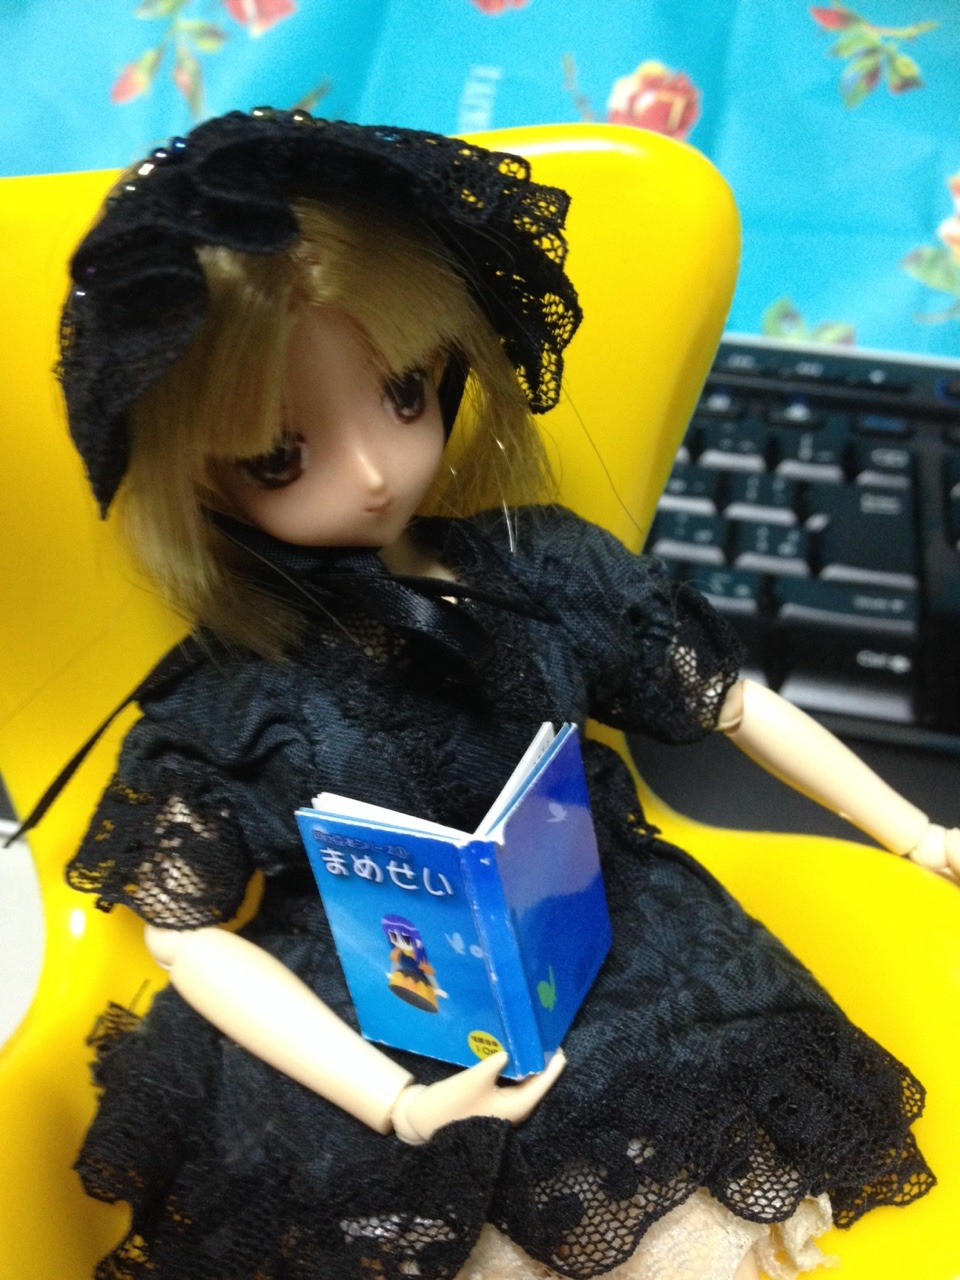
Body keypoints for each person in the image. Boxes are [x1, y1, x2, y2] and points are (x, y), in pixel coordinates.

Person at [57, 108, 957, 1280]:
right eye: (282, 455)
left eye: (403, 394)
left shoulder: (539, 570)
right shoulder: (235, 696)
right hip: (373, 991)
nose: (372, 473)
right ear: (200, 478)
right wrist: (394, 1103)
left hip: (596, 928)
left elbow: (731, 699)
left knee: (678, 1159)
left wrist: (916, 830)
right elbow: (185, 939)